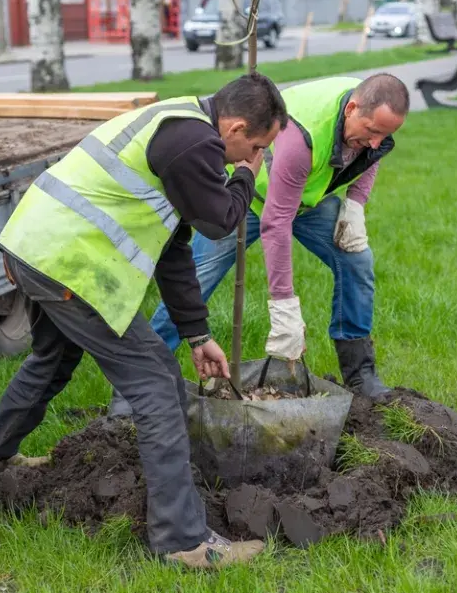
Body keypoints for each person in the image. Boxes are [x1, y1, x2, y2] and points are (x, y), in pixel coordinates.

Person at [0, 72, 288, 570]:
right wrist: (245, 175)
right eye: (256, 147)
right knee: (157, 384)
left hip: (37, 248)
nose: (252, 157)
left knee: (50, 361)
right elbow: (220, 221)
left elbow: (173, 250)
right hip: (69, 263)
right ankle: (183, 541)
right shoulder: (194, 141)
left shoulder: (179, 125)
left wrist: (197, 335)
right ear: (236, 127)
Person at [123, 73, 409, 407]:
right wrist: (284, 306)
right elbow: (277, 222)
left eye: (384, 136)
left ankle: (361, 374)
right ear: (352, 108)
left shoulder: (371, 119)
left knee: (356, 259)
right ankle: (135, 386)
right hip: (248, 199)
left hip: (307, 200)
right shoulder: (304, 135)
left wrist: (356, 203)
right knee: (195, 281)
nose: (376, 142)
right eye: (372, 131)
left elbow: (370, 157)